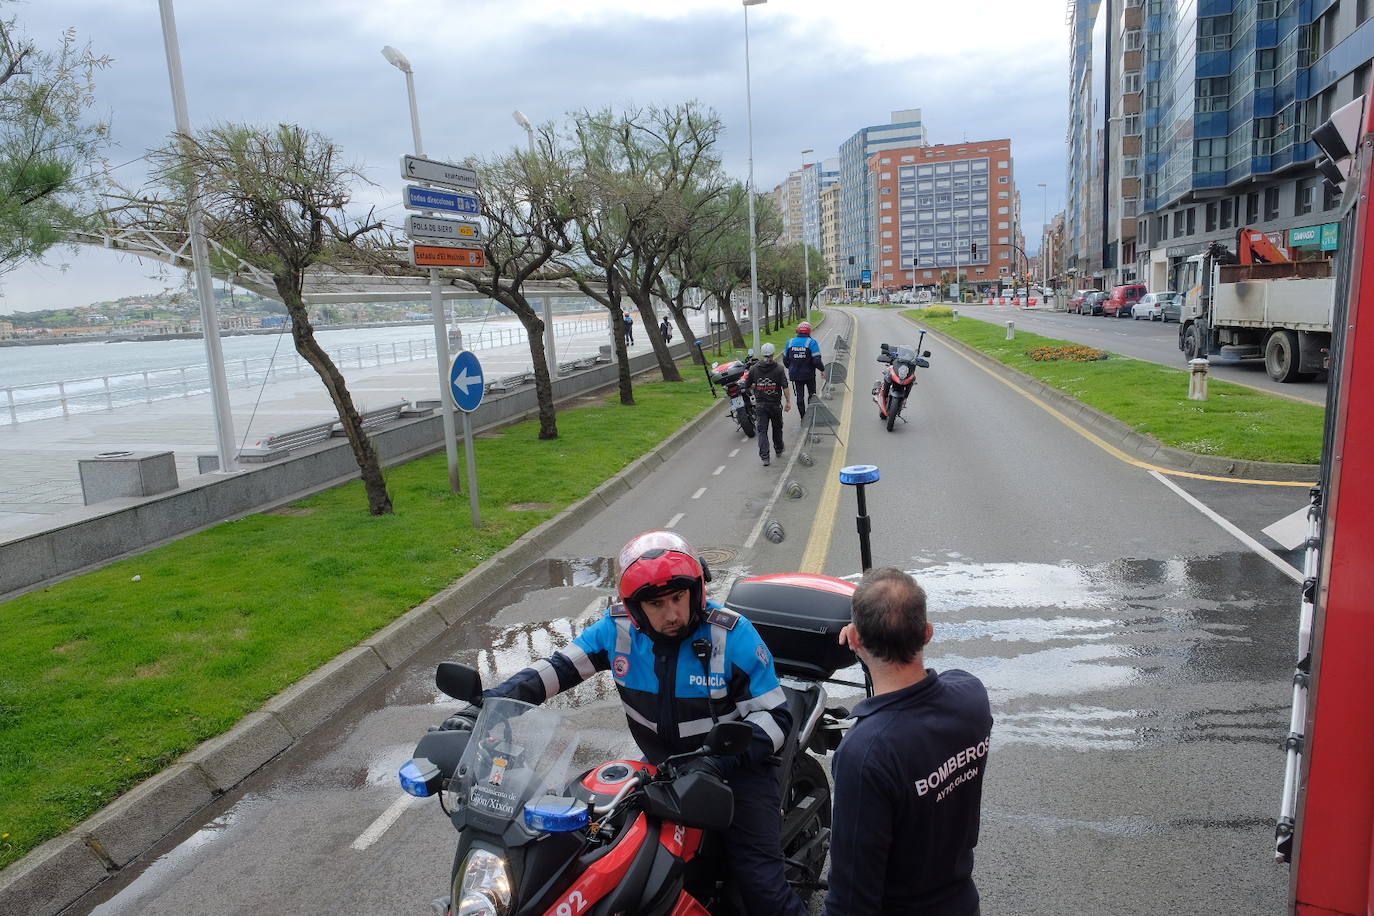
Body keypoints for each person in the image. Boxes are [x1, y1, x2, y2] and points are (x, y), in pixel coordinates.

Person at [480, 531, 810, 916]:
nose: (671, 614)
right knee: (601, 852)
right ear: (635, 608)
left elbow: (776, 717)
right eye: (656, 603)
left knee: (762, 887)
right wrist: (489, 706)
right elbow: (557, 668)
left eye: (677, 598)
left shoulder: (730, 635)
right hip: (662, 766)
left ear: (696, 591)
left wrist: (719, 761)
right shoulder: (617, 630)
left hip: (737, 770)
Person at [823, 567, 993, 916]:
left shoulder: (865, 753)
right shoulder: (971, 698)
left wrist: (860, 640)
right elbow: (941, 683)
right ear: (927, 634)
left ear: (855, 640)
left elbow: (851, 900)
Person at [745, 341, 791, 467]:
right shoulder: (779, 369)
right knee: (777, 428)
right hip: (775, 405)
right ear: (773, 353)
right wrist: (788, 402)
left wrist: (755, 387)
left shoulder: (754, 369)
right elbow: (785, 387)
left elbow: (746, 385)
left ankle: (765, 457)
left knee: (762, 431)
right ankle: (779, 448)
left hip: (760, 406)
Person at [783, 320, 825, 424]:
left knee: (799, 397)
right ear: (809, 332)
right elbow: (816, 360)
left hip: (795, 375)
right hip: (809, 375)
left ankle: (803, 418)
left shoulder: (790, 342)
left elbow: (785, 360)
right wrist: (822, 370)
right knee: (812, 395)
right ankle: (811, 416)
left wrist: (791, 367)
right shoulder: (811, 343)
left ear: (798, 331)